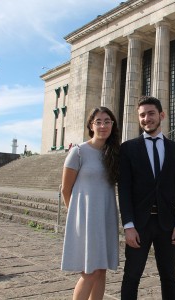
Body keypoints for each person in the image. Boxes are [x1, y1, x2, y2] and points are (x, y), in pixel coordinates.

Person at [118, 96, 175, 300]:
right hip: (139, 224)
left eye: (150, 113)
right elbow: (124, 189)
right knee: (131, 276)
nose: (146, 118)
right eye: (142, 115)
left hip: (167, 224)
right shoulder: (128, 148)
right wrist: (128, 225)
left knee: (169, 276)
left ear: (161, 115)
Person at [61, 106, 120, 300]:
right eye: (98, 121)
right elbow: (65, 189)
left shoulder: (114, 153)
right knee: (89, 272)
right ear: (91, 125)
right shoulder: (78, 152)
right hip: (86, 218)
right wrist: (76, 217)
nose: (103, 125)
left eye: (107, 121)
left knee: (101, 270)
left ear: (112, 125)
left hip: (106, 216)